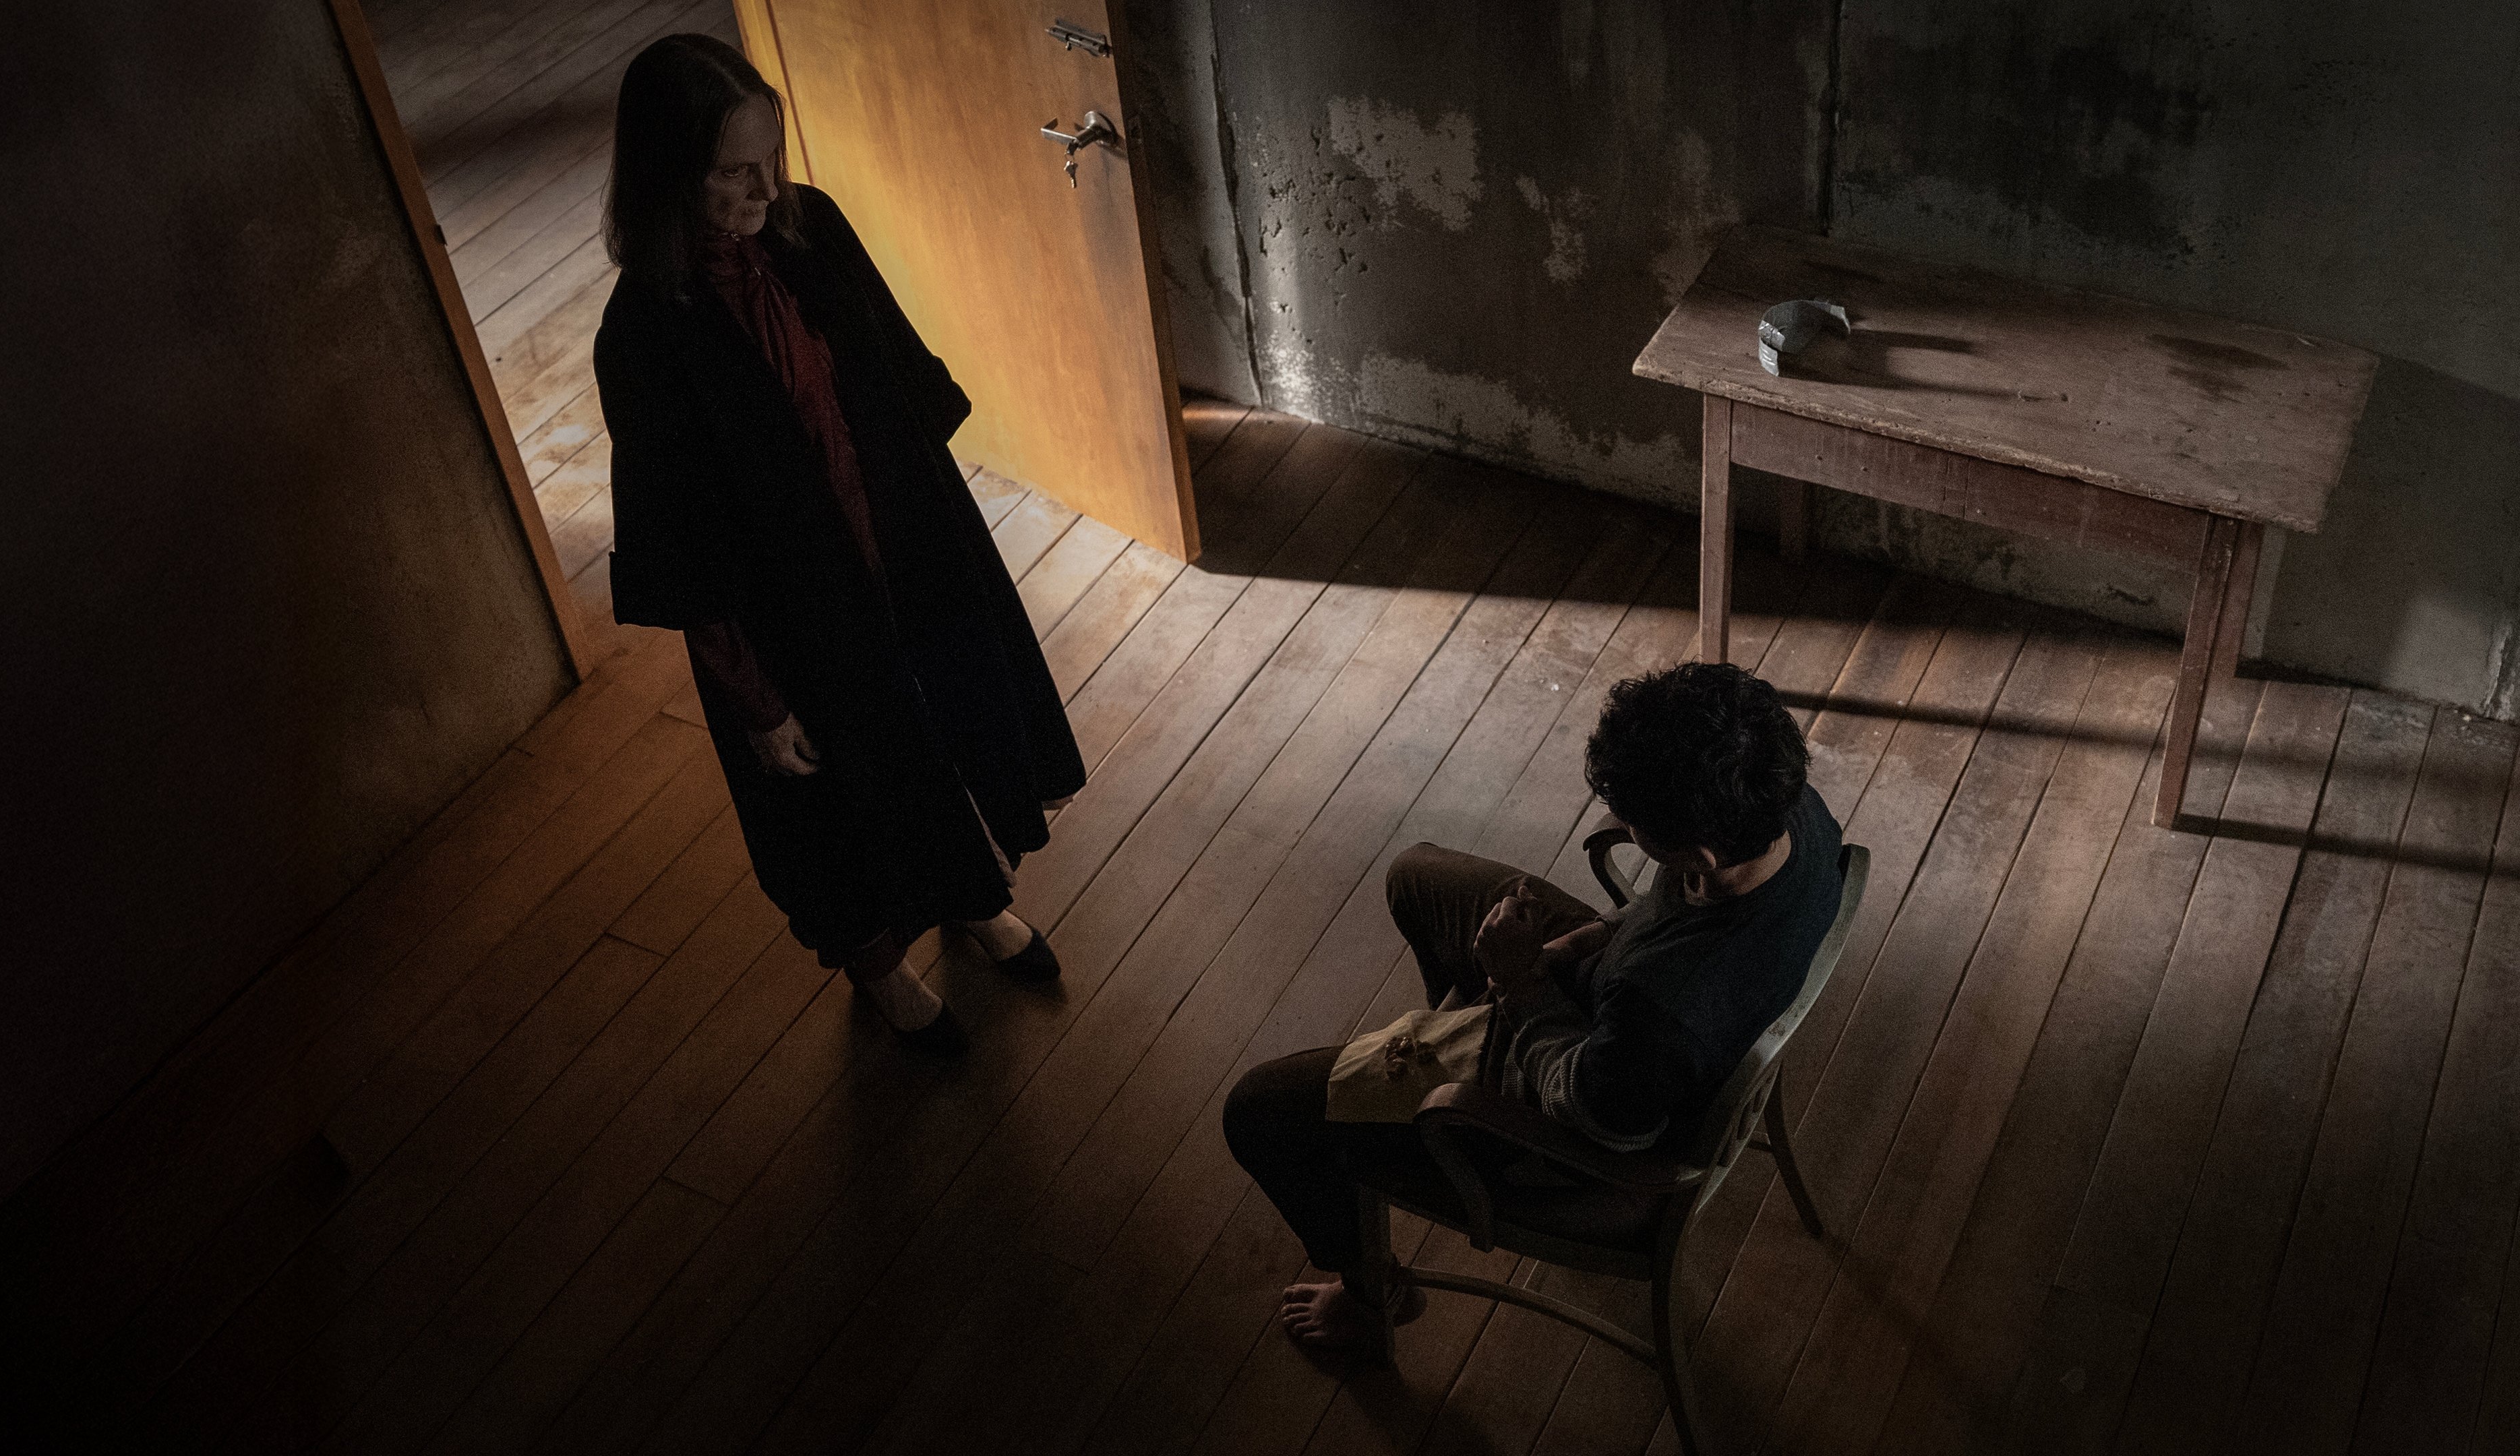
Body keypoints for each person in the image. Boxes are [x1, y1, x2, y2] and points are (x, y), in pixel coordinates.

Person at [593, 34, 1085, 1054]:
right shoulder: (641, 332)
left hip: (899, 552)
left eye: (769, 158)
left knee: (942, 730)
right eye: (734, 171)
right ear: (670, 176)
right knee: (836, 809)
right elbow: (678, 536)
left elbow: (896, 383)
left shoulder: (809, 227)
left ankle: (974, 898)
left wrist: (951, 560)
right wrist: (758, 702)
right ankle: (879, 966)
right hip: (790, 616)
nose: (764, 187)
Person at [1223, 662, 1843, 1352]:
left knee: (1260, 1110)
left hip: (1583, 1106)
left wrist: (1520, 984)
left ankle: (1374, 1297)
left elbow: (1590, 1115)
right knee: (1416, 878)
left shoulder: (1666, 1010)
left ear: (1697, 854)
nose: (1620, 822)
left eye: (1633, 821)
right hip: (1614, 999)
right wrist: (1588, 938)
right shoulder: (1789, 810)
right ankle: (1455, 1040)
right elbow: (1667, 908)